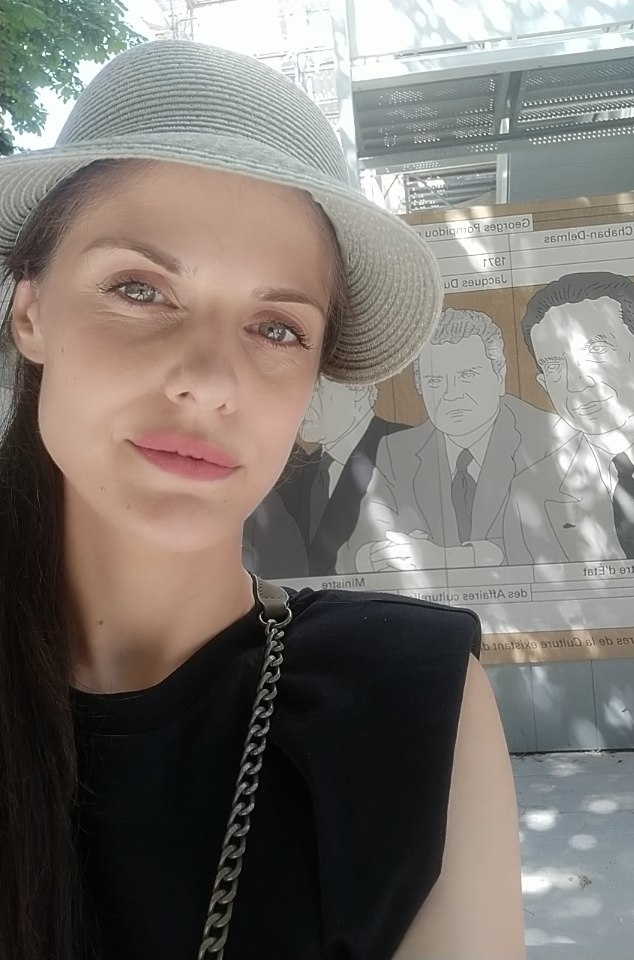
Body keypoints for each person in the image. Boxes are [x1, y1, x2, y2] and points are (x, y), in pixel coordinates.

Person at [0, 39, 524, 960]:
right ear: (31, 312)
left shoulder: (407, 700)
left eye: (277, 328)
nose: (210, 382)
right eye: (140, 289)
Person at [504, 271, 634, 564]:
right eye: (554, 366)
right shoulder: (529, 492)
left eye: (596, 350)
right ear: (544, 384)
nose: (576, 383)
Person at [337, 307, 573, 572]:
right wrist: (375, 556)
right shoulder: (397, 450)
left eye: (466, 376)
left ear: (499, 376)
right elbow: (353, 552)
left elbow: (560, 544)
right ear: (420, 387)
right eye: (435, 381)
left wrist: (449, 559)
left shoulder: (551, 438)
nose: (451, 394)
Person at [245, 377, 407, 576]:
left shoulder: (408, 449)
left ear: (358, 387)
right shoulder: (297, 475)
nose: (298, 402)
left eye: (315, 389)